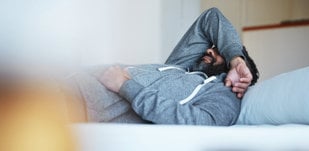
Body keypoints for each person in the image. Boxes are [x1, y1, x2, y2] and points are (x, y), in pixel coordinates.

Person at [65, 7, 259, 126]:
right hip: (71, 78)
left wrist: (125, 85)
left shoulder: (223, 97)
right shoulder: (182, 68)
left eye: (218, 52)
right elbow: (211, 17)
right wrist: (235, 58)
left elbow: (196, 121)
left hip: (79, 102)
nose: (209, 50)